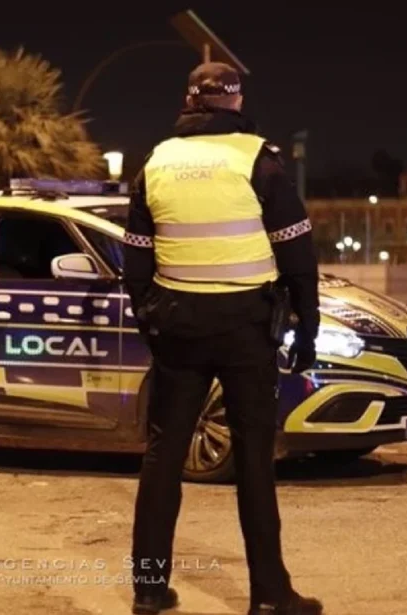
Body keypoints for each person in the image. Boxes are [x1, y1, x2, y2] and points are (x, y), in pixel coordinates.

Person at [123, 62, 323, 615]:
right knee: (255, 458)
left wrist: (151, 317)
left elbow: (135, 256)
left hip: (178, 327)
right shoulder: (258, 160)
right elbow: (297, 253)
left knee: (163, 454)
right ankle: (269, 595)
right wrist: (307, 323)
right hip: (244, 327)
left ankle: (147, 588)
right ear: (234, 102)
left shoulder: (156, 161)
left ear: (189, 102)